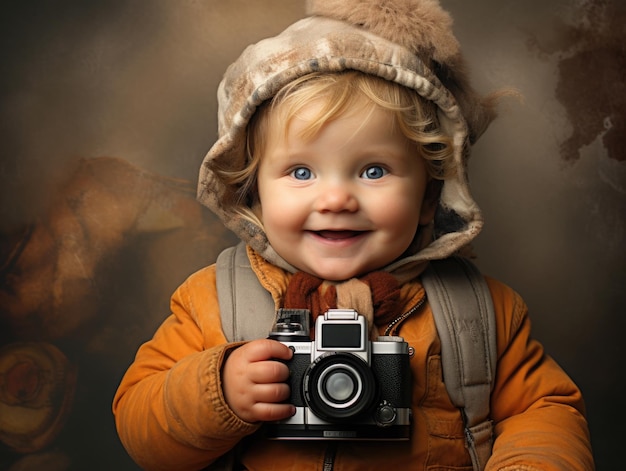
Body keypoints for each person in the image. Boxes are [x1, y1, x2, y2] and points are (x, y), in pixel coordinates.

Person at [112, 1, 594, 470]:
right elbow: (140, 428)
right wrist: (217, 389)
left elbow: (545, 411)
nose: (336, 199)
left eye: (373, 170)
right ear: (251, 190)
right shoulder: (212, 304)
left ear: (430, 194)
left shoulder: (480, 314)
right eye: (301, 172)